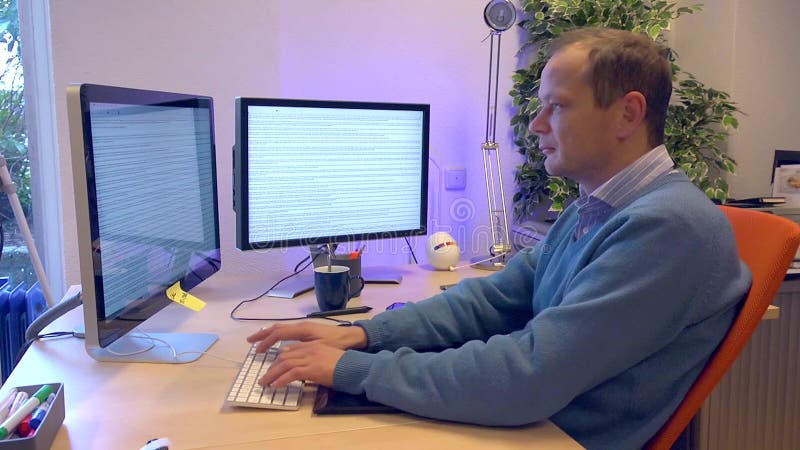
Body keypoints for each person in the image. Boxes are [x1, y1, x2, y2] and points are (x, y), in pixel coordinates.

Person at [247, 27, 751, 450]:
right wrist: (362, 336)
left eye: (556, 106)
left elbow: (527, 377)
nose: (535, 126)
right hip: (531, 425)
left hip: (553, 436)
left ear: (628, 113)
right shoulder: (597, 207)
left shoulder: (667, 228)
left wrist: (353, 371)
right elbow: (491, 300)